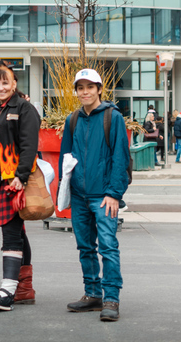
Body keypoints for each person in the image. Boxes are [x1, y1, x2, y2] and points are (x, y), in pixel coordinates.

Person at [60, 68, 130, 322]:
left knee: (108, 247)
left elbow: (120, 158)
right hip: (79, 196)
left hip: (104, 196)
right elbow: (65, 158)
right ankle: (92, 294)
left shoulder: (113, 117)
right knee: (85, 247)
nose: (85, 92)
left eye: (90, 87)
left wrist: (114, 193)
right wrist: (65, 191)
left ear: (100, 89)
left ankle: (111, 298)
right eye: (81, 87)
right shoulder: (73, 119)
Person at [0, 65, 40, 311]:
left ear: (14, 84)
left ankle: (7, 291)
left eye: (6, 83)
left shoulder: (24, 108)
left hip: (13, 182)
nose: (1, 87)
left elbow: (29, 144)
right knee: (18, 233)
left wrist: (21, 177)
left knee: (11, 235)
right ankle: (25, 289)